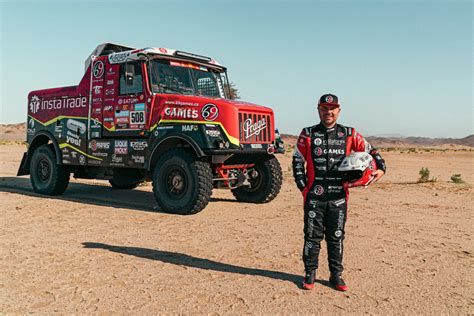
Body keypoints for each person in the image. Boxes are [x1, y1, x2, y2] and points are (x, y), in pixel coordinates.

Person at [292, 93, 386, 291]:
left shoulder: (349, 133)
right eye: (324, 108)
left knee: (336, 237)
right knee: (311, 236)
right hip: (314, 197)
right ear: (318, 110)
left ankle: (336, 275)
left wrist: (381, 168)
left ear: (339, 110)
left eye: (332, 108)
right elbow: (297, 160)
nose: (328, 112)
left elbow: (372, 151)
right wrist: (303, 188)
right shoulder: (307, 133)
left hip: (338, 197)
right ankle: (310, 273)